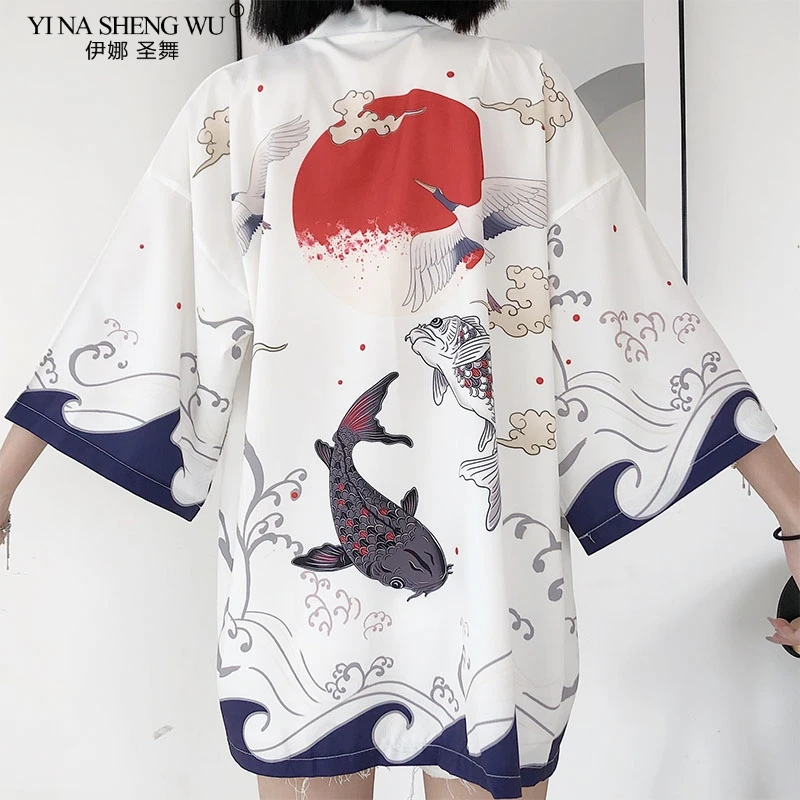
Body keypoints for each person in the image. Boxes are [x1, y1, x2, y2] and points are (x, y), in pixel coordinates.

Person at [1, 1, 798, 799]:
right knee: (483, 748)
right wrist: (794, 514)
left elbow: (134, 312)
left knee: (312, 745)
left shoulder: (242, 100)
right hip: (488, 565)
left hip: (302, 586)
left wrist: (4, 482)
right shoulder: (518, 83)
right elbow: (636, 311)